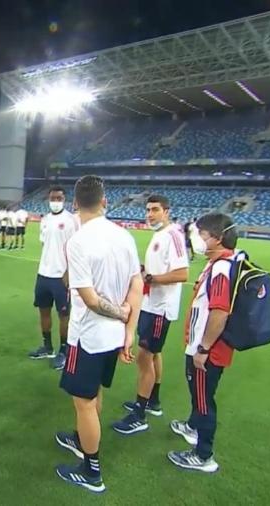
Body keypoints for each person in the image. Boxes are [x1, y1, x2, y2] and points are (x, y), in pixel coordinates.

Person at [53, 175, 143, 493]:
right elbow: (137, 284)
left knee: (85, 404)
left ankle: (91, 470)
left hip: (88, 336)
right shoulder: (125, 236)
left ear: (75, 203)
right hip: (114, 336)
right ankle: (80, 438)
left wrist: (120, 314)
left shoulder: (78, 242)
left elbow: (89, 299)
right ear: (105, 202)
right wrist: (129, 330)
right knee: (92, 396)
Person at [168, 213, 239, 473]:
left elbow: (220, 312)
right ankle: (192, 426)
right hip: (205, 347)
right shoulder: (220, 262)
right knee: (199, 394)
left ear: (218, 239)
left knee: (203, 400)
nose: (196, 239)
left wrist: (203, 349)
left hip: (207, 350)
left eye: (202, 235)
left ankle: (203, 454)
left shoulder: (221, 268)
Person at [114, 195, 188, 434]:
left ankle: (139, 413)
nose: (150, 214)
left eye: (155, 210)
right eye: (147, 210)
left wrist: (151, 278)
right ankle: (152, 401)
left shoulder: (174, 235)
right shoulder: (160, 235)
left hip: (160, 308)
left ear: (166, 211)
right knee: (154, 353)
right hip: (150, 304)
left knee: (144, 356)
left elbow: (182, 274)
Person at [29, 187, 79, 370]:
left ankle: (64, 351)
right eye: (53, 198)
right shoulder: (45, 220)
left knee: (64, 314)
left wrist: (69, 272)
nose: (56, 201)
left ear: (64, 199)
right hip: (44, 273)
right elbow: (45, 244)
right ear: (48, 199)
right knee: (43, 311)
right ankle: (47, 346)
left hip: (61, 276)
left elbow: (76, 248)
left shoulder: (71, 220)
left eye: (59, 198)